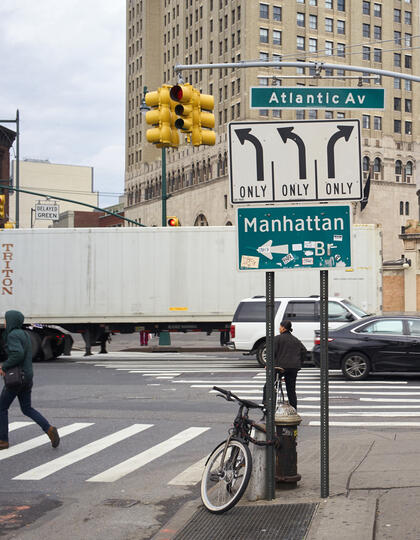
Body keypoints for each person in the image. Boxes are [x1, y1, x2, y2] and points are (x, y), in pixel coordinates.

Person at [0, 310, 60, 450]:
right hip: (27, 376)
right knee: (27, 408)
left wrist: (5, 365)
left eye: (6, 320)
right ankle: (49, 429)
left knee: (2, 408)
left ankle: (3, 440)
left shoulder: (13, 335)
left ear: (12, 321)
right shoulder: (25, 334)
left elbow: (18, 354)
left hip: (16, 378)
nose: (4, 322)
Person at [273, 320, 307, 410]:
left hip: (280, 367)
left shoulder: (277, 339)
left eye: (280, 327)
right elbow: (304, 351)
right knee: (291, 390)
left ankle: (266, 406)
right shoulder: (296, 340)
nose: (279, 328)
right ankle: (294, 409)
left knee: (269, 386)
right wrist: (299, 363)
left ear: (283, 328)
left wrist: (269, 364)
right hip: (293, 368)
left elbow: (272, 352)